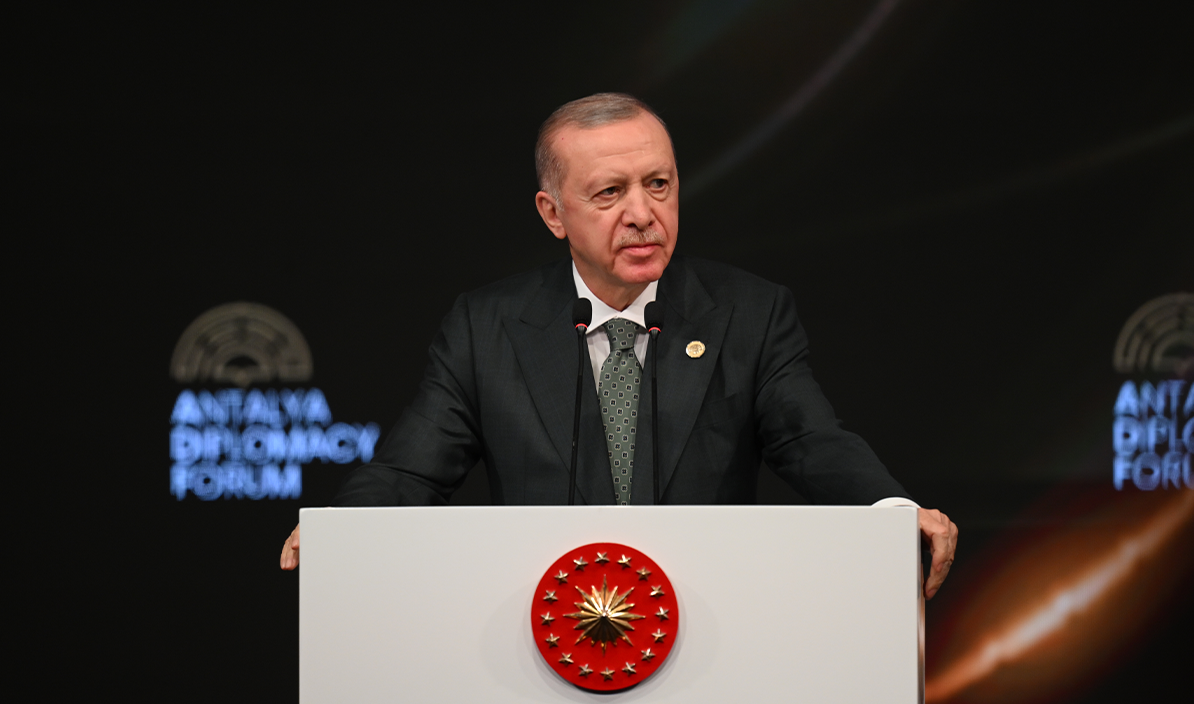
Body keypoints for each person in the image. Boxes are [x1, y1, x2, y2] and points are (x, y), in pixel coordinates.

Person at [280, 93, 957, 598]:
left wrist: (891, 513)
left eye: (658, 184)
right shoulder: (488, 327)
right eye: (610, 192)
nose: (642, 213)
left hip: (708, 626)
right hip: (541, 636)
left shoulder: (748, 313)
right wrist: (345, 528)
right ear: (553, 213)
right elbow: (412, 470)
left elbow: (811, 440)